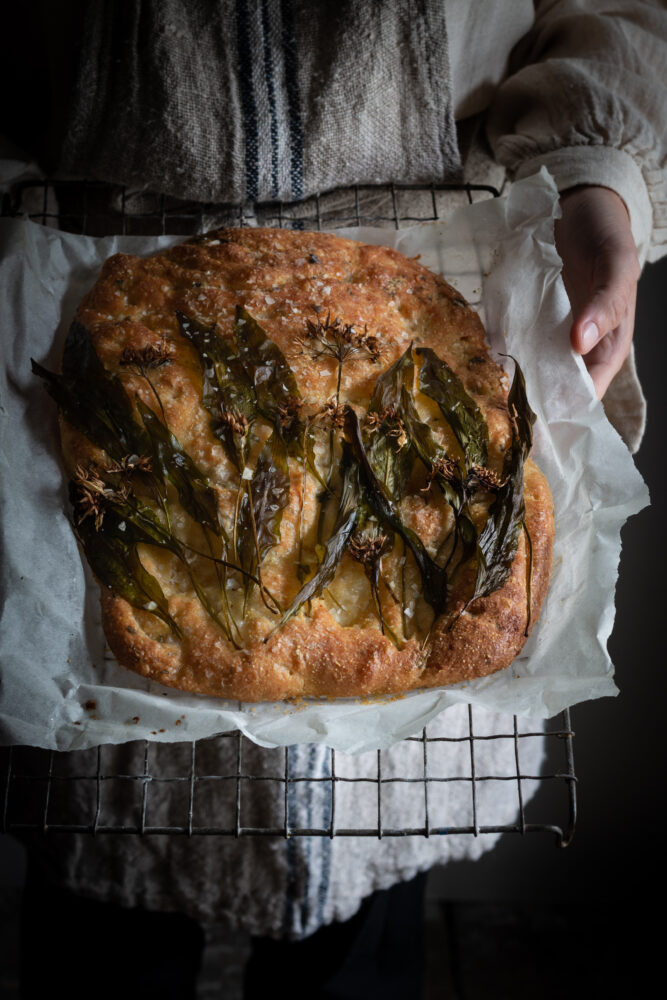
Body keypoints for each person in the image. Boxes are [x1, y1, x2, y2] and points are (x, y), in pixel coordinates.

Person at [7, 2, 666, 998]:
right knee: (104, 940)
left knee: (355, 952)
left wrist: (602, 184)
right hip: (100, 270)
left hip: (438, 279)